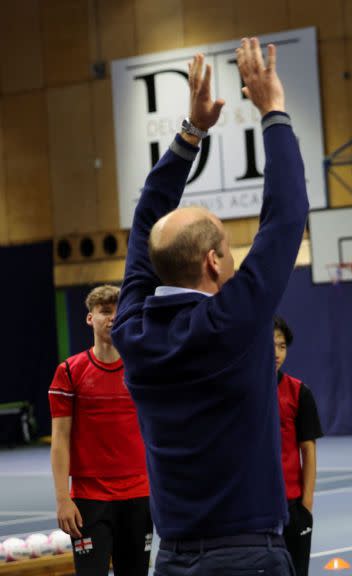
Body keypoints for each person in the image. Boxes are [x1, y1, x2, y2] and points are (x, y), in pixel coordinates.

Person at [111, 38, 308, 576]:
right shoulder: (233, 323)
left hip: (171, 557)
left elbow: (144, 224)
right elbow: (287, 215)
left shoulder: (132, 332)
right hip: (249, 556)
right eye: (228, 246)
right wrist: (272, 109)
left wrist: (190, 134)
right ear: (214, 264)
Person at [48, 285, 152, 575]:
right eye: (105, 312)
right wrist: (62, 499)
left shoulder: (142, 370)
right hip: (89, 501)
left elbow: (157, 432)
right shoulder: (69, 372)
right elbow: (60, 439)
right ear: (90, 318)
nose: (113, 318)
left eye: (118, 312)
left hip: (139, 497)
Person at [274, 316, 324, 576]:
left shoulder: (299, 392)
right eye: (271, 345)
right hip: (256, 510)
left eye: (282, 346)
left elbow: (309, 451)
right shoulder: (243, 391)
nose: (277, 353)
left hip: (293, 506)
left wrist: (306, 504)